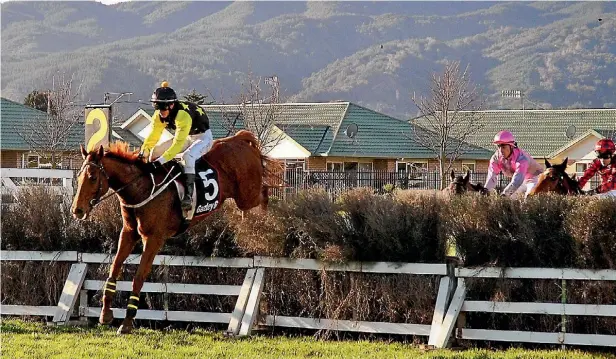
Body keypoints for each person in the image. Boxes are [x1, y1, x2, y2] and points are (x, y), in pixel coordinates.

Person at [140, 81, 213, 210]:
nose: (160, 112)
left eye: (162, 108)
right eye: (157, 108)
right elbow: (153, 136)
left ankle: (188, 196)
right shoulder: (159, 115)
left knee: (187, 157)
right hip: (187, 137)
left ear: (172, 105)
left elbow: (177, 145)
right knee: (155, 151)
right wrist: (144, 152)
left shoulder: (182, 116)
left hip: (203, 137)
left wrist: (160, 161)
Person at [483, 130, 543, 198]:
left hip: (535, 178)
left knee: (529, 198)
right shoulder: (496, 158)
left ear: (511, 146)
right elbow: (492, 176)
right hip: (521, 181)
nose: (500, 150)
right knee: (510, 200)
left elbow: (517, 181)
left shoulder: (521, 159)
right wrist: (486, 189)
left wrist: (505, 194)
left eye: (503, 147)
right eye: (498, 146)